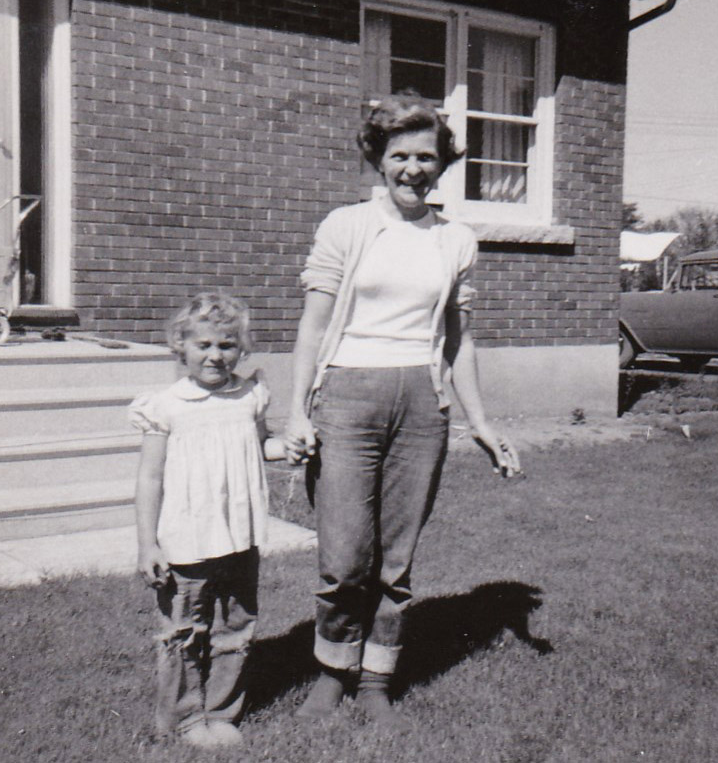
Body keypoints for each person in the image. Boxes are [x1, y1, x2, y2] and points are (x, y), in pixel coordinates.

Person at [286, 92, 522, 726]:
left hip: (421, 402)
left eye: (425, 156)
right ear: (378, 159)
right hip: (347, 395)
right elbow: (311, 327)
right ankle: (331, 674)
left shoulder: (457, 240)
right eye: (399, 155)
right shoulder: (346, 226)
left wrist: (483, 424)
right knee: (342, 556)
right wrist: (296, 411)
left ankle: (374, 682)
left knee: (396, 556)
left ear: (442, 162)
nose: (412, 168)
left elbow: (459, 342)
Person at [130, 291, 282, 748]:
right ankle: (183, 718)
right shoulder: (167, 406)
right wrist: (147, 544)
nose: (216, 355)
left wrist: (288, 448)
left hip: (239, 537)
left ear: (242, 348)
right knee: (185, 630)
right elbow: (150, 479)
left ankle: (221, 710)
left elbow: (261, 446)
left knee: (236, 626)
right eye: (204, 345)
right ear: (181, 347)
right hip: (187, 541)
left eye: (227, 345)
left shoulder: (250, 396)